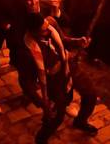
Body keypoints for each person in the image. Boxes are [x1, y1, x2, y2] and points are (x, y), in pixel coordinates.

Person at [25, 13, 97, 144]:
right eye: (43, 30)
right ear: (33, 32)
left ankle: (80, 121)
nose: (48, 30)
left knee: (91, 94)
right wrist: (43, 102)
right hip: (54, 83)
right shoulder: (26, 51)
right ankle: (41, 138)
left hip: (71, 67)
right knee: (57, 117)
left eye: (47, 26)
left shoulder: (50, 23)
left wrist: (78, 42)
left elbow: (63, 40)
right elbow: (27, 82)